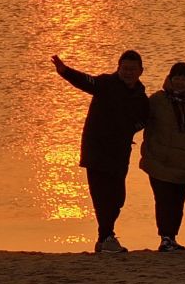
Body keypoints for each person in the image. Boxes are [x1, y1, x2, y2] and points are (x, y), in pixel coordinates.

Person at [52, 50, 150, 253]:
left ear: (141, 71)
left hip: (119, 153)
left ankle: (105, 237)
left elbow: (144, 120)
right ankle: (106, 238)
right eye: (125, 68)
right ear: (118, 68)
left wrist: (129, 128)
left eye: (132, 69)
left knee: (117, 198)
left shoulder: (140, 96)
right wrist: (65, 71)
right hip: (96, 150)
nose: (128, 72)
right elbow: (86, 81)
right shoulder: (106, 84)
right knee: (101, 197)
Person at [138, 61, 185, 252]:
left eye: (184, 78)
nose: (180, 82)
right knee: (163, 200)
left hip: (183, 162)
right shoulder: (157, 100)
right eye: (177, 78)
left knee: (178, 202)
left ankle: (172, 237)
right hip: (159, 160)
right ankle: (165, 237)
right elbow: (140, 120)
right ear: (170, 79)